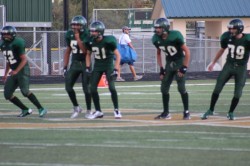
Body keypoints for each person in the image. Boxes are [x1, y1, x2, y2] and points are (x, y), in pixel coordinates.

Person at [201, 18, 250, 120]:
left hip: (241, 67)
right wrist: (213, 62)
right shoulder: (226, 37)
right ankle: (211, 109)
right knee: (217, 87)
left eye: (233, 29)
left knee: (238, 92)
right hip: (229, 65)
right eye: (230, 29)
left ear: (239, 29)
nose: (231, 31)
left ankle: (231, 112)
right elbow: (222, 50)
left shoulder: (247, 39)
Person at [0, 26, 47, 117]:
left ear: (13, 34)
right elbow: (10, 60)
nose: (6, 36)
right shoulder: (3, 44)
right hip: (14, 71)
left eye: (8, 34)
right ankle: (25, 109)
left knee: (25, 91)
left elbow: (24, 59)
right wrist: (5, 74)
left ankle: (41, 108)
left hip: (22, 69)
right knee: (7, 94)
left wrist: (16, 71)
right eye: (4, 34)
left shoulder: (18, 42)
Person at [152, 18, 191, 120]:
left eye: (159, 27)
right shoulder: (156, 39)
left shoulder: (175, 35)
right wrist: (161, 68)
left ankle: (186, 111)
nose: (157, 30)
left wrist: (184, 67)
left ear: (165, 28)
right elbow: (158, 53)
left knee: (181, 88)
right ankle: (166, 112)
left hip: (179, 61)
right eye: (156, 27)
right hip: (169, 63)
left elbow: (187, 52)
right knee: (164, 88)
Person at [85, 21, 122, 119]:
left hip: (108, 65)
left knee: (112, 88)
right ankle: (98, 111)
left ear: (100, 32)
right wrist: (88, 67)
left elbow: (118, 55)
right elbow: (88, 54)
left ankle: (117, 110)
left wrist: (115, 69)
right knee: (92, 88)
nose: (92, 33)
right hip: (97, 65)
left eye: (94, 31)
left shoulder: (108, 41)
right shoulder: (90, 41)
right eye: (91, 31)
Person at [63, 15, 92, 118]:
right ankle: (76, 107)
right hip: (75, 63)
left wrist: (78, 38)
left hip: (85, 63)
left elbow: (85, 51)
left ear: (83, 26)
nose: (74, 27)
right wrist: (65, 66)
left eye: (77, 25)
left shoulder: (87, 34)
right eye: (73, 24)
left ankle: (89, 110)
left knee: (86, 89)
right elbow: (68, 51)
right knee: (68, 86)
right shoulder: (69, 34)